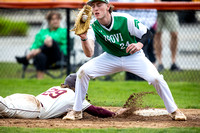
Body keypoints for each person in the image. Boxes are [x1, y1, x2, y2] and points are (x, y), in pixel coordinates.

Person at [64, 0, 187, 121]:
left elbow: (147, 33)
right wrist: (84, 38)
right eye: (93, 5)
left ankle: (174, 110)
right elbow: (89, 53)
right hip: (110, 57)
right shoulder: (92, 26)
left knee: (156, 78)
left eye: (99, 5)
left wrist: (139, 44)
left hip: (134, 57)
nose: (95, 8)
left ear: (108, 6)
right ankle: (77, 110)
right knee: (83, 72)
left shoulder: (124, 19)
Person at [0, 73, 125, 119]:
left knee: (4, 106)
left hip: (26, 99)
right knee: (6, 108)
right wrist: (116, 114)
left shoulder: (57, 88)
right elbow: (97, 111)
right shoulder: (73, 97)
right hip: (34, 108)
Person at [15, 11, 67, 79]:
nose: (55, 21)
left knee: (51, 41)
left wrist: (47, 40)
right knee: (40, 56)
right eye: (53, 19)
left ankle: (27, 58)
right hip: (45, 56)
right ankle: (40, 80)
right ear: (49, 21)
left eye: (57, 19)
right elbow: (35, 43)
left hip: (58, 56)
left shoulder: (63, 31)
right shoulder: (43, 32)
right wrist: (33, 49)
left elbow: (57, 39)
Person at [116, 0, 157, 80]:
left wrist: (142, 28)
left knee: (143, 54)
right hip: (127, 31)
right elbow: (120, 13)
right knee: (128, 53)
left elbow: (152, 14)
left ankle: (143, 77)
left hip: (143, 30)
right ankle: (130, 78)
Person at [154, 0, 181, 72]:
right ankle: (159, 62)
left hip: (170, 8)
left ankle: (173, 62)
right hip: (157, 9)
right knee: (157, 35)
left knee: (174, 34)